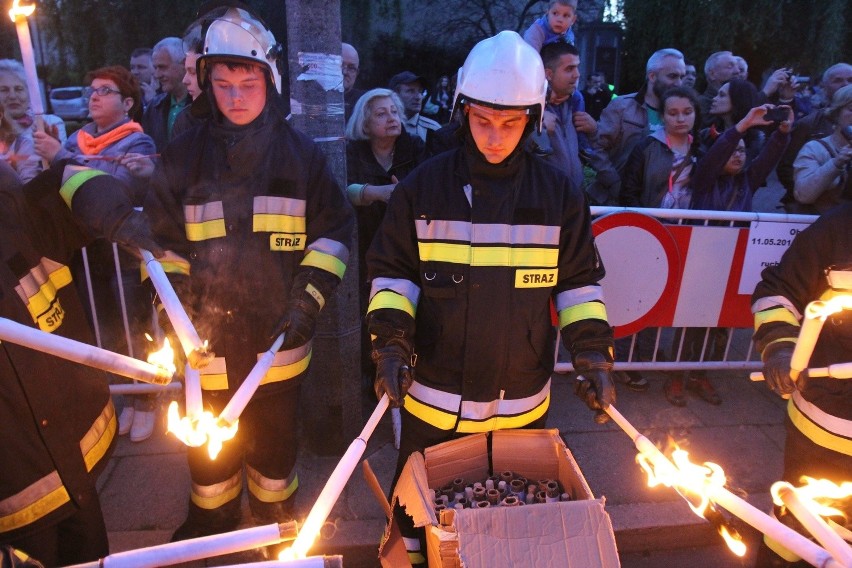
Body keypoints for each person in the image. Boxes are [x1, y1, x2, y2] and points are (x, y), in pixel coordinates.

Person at [366, 31, 615, 565]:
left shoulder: (558, 196)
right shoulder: (422, 188)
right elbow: (393, 274)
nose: (495, 136)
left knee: (508, 533)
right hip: (433, 404)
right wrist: (388, 343)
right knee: (413, 527)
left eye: (510, 123)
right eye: (482, 121)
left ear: (532, 117)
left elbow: (579, 287)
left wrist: (592, 352)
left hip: (520, 405)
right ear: (462, 112)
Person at [143, 6, 354, 543]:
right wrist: (176, 306)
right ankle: (211, 533)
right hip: (203, 354)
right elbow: (160, 242)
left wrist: (307, 301)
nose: (236, 97)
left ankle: (275, 531)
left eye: (248, 82)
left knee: (275, 465)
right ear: (207, 84)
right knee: (208, 473)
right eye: (223, 84)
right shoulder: (182, 156)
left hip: (275, 351)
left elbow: (332, 233)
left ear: (270, 79)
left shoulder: (300, 157)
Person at [0, 159, 163, 566]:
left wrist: (117, 216)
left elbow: (70, 180)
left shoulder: (14, 210)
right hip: (14, 492)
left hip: (74, 467)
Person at [33, 65, 159, 441]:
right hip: (86, 256)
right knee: (105, 331)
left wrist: (60, 159)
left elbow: (111, 190)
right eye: (93, 90)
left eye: (105, 90)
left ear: (128, 102)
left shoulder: (138, 143)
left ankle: (147, 399)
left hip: (121, 253)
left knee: (133, 328)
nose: (95, 96)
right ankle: (125, 399)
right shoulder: (78, 139)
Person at [670, 104, 793, 407]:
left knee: (720, 323)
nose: (738, 155)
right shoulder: (704, 180)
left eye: (742, 151)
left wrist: (783, 133)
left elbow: (769, 158)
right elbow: (714, 158)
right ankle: (675, 376)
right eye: (731, 150)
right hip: (702, 260)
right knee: (690, 321)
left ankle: (702, 374)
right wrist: (742, 126)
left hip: (735, 262)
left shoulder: (747, 182)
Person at [751, 203, 852, 567]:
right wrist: (781, 349)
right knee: (795, 533)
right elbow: (777, 293)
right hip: (824, 432)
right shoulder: (836, 230)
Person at [345, 88, 424, 387]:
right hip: (364, 241)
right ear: (365, 124)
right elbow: (343, 188)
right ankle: (374, 376)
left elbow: (427, 188)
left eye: (394, 111)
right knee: (369, 308)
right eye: (381, 113)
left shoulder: (414, 147)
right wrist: (375, 193)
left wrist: (403, 195)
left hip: (407, 242)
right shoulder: (353, 152)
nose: (391, 118)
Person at [586, 48, 685, 206]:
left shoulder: (681, 116)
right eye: (672, 76)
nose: (679, 83)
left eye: (682, 77)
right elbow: (597, 149)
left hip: (657, 207)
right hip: (613, 203)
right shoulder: (622, 106)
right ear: (652, 76)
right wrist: (616, 185)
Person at [620, 86, 698, 209]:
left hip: (692, 222)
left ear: (695, 113)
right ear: (662, 116)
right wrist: (644, 222)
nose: (681, 119)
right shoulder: (646, 147)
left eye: (687, 112)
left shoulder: (700, 148)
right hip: (652, 223)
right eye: (673, 113)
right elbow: (629, 192)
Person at [539, 41, 597, 190]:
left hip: (572, 199)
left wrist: (594, 131)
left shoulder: (574, 103)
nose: (577, 74)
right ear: (549, 74)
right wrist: (535, 126)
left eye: (577, 67)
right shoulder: (528, 107)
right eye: (569, 69)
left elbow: (599, 154)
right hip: (542, 202)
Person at [791, 84, 852, 215]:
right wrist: (836, 163)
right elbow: (803, 194)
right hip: (827, 230)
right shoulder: (815, 149)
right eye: (851, 109)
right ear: (836, 113)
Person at [141, 37, 190, 151]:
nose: (157, 75)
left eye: (162, 67)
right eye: (155, 68)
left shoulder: (204, 106)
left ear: (184, 64)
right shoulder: (154, 107)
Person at [702, 78, 763, 160]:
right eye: (717, 94)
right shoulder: (707, 135)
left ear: (738, 100)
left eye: (722, 95)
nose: (714, 99)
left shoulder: (757, 140)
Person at [388, 71, 441, 142]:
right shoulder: (381, 128)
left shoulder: (432, 130)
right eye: (410, 91)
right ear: (395, 95)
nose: (418, 97)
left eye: (420, 91)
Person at [699, 51, 741, 125]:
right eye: (730, 66)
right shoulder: (702, 104)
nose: (737, 71)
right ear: (712, 74)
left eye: (737, 66)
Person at [342, 42, 365, 123]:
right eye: (340, 65)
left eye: (351, 68)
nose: (344, 72)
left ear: (357, 73)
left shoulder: (364, 102)